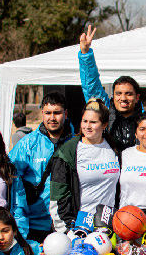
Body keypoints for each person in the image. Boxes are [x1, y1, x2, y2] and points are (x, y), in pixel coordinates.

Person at [78, 25, 146, 150]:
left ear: (137, 97)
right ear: (113, 95)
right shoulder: (103, 112)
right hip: (108, 169)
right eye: (118, 94)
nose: (123, 98)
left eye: (128, 94)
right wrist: (86, 54)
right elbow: (91, 85)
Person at [9, 92, 74, 243]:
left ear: (65, 113)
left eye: (57, 113)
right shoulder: (27, 144)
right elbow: (13, 184)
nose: (52, 118)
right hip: (34, 224)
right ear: (42, 114)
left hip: (67, 224)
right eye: (48, 113)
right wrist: (21, 226)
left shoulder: (77, 143)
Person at [50, 99, 120, 233]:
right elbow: (56, 199)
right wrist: (69, 232)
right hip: (78, 227)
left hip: (108, 227)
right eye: (84, 121)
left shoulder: (114, 148)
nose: (87, 126)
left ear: (104, 125)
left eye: (93, 122)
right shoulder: (67, 151)